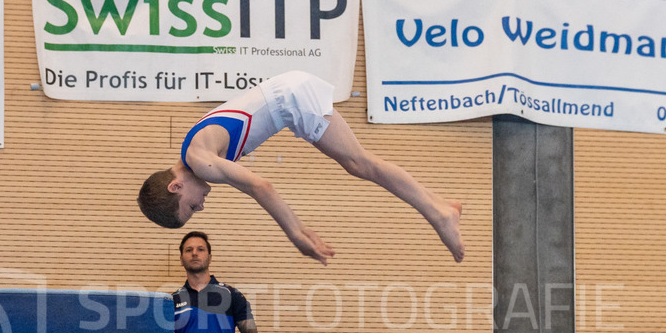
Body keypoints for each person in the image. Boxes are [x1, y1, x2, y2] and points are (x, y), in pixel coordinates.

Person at [138, 70, 465, 265]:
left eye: (192, 207)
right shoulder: (193, 150)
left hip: (288, 100)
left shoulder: (200, 162)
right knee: (361, 162)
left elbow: (261, 186)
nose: (202, 205)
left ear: (175, 186)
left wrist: (295, 233)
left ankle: (438, 213)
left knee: (359, 163)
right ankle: (440, 205)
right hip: (288, 93)